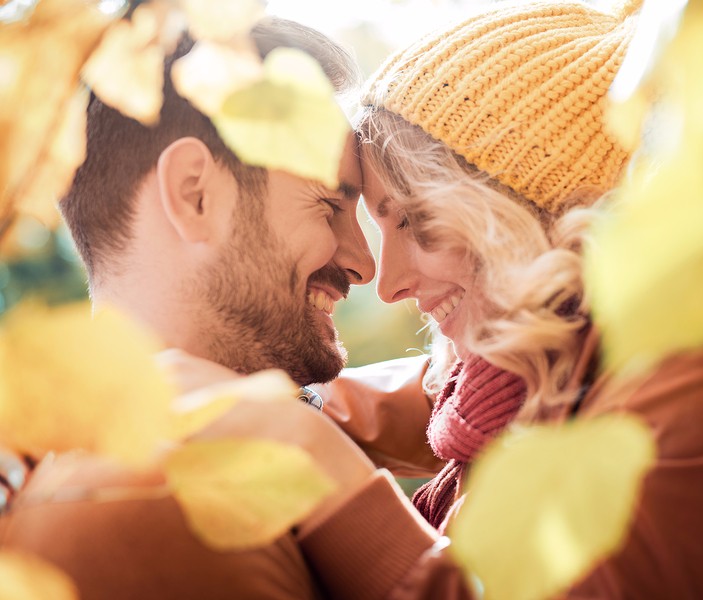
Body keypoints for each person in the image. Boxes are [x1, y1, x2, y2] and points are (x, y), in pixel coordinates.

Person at [286, 2, 703, 598]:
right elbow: (376, 405)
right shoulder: (509, 370)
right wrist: (270, 404)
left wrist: (328, 477)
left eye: (417, 222)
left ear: (531, 215)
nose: (388, 284)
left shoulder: (698, 362)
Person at [0, 16, 405, 600]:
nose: (366, 266)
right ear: (196, 194)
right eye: (326, 206)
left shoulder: (229, 446)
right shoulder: (154, 505)